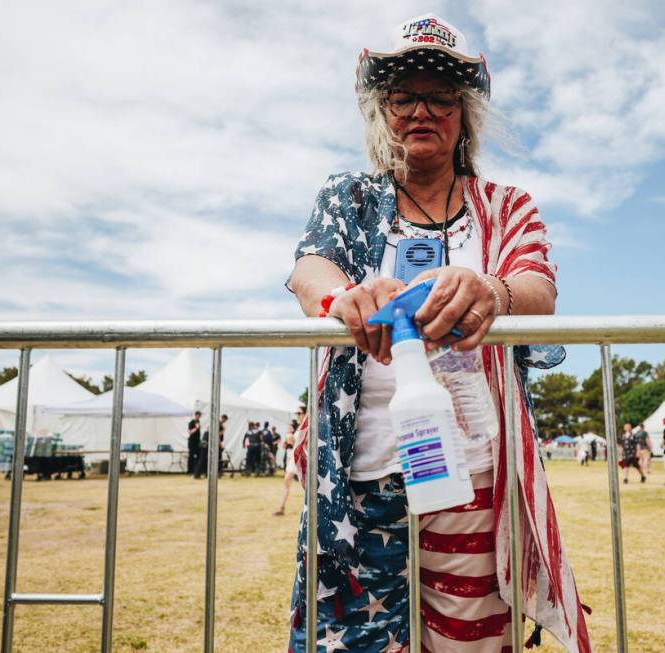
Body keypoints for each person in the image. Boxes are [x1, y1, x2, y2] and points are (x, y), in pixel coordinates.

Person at [283, 14, 591, 652]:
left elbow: (539, 288)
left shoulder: (506, 206)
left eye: (442, 95)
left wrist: (490, 291)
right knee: (351, 640)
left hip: (472, 471)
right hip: (361, 474)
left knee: (468, 642)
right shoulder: (349, 197)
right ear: (381, 110)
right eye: (403, 95)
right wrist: (346, 297)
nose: (422, 110)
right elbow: (310, 267)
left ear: (465, 113)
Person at [194, 414, 227, 479]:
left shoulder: (214, 424)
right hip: (206, 443)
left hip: (205, 442)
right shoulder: (217, 425)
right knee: (203, 459)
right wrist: (221, 444)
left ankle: (205, 474)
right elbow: (217, 436)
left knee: (205, 459)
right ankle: (197, 474)